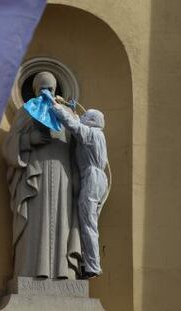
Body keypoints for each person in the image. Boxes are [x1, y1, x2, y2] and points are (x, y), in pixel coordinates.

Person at [2, 72, 82, 279]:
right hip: (34, 177)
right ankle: (29, 271)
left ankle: (63, 273)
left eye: (51, 88)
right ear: (35, 89)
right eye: (42, 88)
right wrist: (29, 140)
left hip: (63, 177)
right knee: (33, 225)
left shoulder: (66, 114)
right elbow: (9, 146)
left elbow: (81, 147)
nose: (47, 92)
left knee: (63, 223)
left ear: (57, 90)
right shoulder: (27, 111)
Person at [51, 99, 108, 279]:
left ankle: (92, 266)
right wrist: (74, 112)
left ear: (91, 120)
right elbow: (77, 123)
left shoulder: (92, 134)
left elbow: (73, 125)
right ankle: (88, 261)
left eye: (85, 116)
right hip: (98, 178)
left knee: (88, 222)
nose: (82, 117)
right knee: (89, 221)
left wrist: (56, 107)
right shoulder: (98, 134)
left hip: (91, 176)